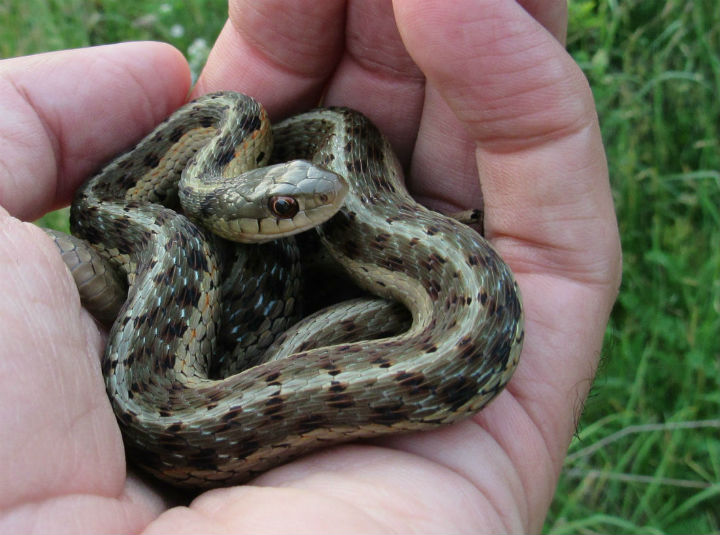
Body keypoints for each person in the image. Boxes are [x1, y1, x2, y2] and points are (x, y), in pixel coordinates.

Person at [0, 0, 621, 532]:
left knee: (329, 156)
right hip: (184, 424)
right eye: (287, 208)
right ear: (234, 211)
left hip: (409, 342)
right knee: (184, 250)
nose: (330, 199)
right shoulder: (166, 233)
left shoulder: (241, 129)